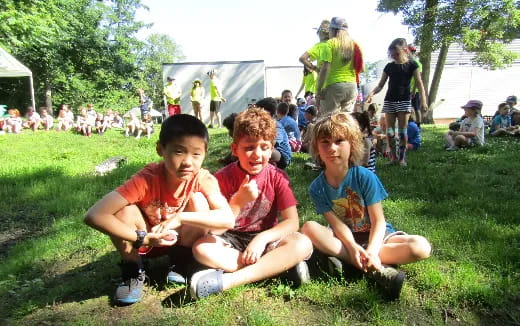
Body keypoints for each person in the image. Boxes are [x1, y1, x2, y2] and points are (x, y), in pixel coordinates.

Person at [84, 114, 235, 305]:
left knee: (198, 201)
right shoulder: (146, 179)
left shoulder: (202, 178)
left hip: (180, 239)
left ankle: (182, 262)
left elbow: (228, 219)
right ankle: (133, 269)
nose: (188, 161)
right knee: (124, 210)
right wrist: (144, 238)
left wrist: (181, 217)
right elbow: (94, 215)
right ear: (160, 149)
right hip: (146, 239)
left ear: (205, 153)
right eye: (179, 152)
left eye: (196, 154)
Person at [301, 112, 431, 300]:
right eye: (325, 142)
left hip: (377, 238)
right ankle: (377, 269)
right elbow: (338, 226)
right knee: (308, 227)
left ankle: (351, 263)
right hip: (345, 239)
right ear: (316, 147)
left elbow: (379, 221)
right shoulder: (317, 188)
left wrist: (371, 250)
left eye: (339, 141)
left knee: (421, 247)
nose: (332, 148)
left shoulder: (364, 176)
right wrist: (353, 247)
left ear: (352, 144)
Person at [190, 108, 313, 300]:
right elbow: (215, 226)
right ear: (234, 149)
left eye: (264, 147)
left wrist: (262, 239)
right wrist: (237, 202)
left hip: (266, 240)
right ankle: (276, 267)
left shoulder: (277, 177)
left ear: (272, 148)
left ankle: (228, 281)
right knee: (201, 248)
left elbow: (292, 222)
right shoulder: (222, 178)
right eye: (249, 147)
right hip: (231, 240)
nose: (257, 154)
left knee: (302, 243)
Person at [366, 38, 427, 167]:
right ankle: (393, 157)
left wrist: (424, 102)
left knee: (402, 131)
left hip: (404, 100)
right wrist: (371, 94)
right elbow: (381, 85)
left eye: (397, 54)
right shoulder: (389, 66)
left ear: (405, 51)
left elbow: (419, 83)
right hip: (390, 100)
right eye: (392, 55)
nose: (394, 57)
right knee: (389, 131)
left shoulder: (412, 65)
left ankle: (402, 158)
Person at [316, 17, 364, 117]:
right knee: (346, 120)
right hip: (351, 86)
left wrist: (318, 90)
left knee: (329, 120)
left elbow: (325, 68)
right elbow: (361, 69)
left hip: (333, 86)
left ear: (332, 30)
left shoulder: (329, 44)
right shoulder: (355, 45)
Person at [255, 97, 292, 169]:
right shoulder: (261, 124)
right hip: (269, 152)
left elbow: (272, 143)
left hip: (282, 156)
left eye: (258, 113)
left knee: (257, 149)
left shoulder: (276, 125)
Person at [299, 19, 330, 94]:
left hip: (324, 86)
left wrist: (316, 69)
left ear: (320, 33)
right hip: (340, 83)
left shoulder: (320, 46)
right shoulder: (337, 44)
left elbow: (302, 58)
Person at [407, 44, 424, 127]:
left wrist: (413, 90)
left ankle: (418, 125)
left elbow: (418, 79)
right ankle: (409, 123)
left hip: (414, 90)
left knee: (416, 108)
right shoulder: (407, 63)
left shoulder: (417, 63)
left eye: (409, 51)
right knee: (408, 107)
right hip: (406, 89)